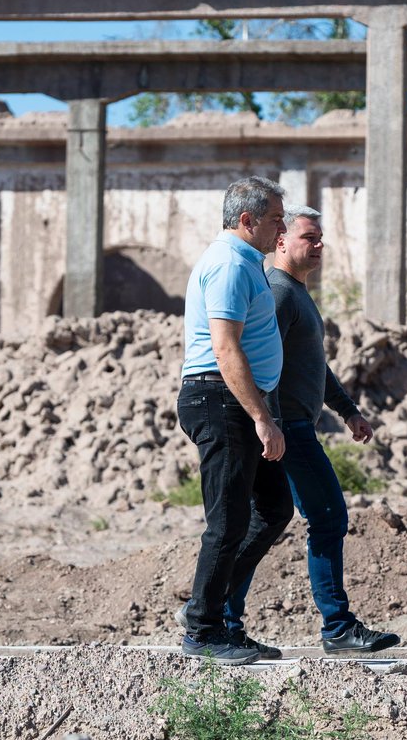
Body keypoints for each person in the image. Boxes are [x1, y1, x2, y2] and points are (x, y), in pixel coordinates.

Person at [224, 206, 401, 655]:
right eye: (309, 237)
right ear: (281, 241)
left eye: (321, 238)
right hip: (289, 428)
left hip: (294, 425)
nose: (318, 245)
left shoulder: (297, 294)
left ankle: (219, 615)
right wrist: (274, 424)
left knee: (266, 520)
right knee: (326, 517)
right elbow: (261, 363)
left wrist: (348, 410)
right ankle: (337, 627)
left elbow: (314, 368)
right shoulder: (280, 293)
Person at [175, 175, 294, 665]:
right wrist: (261, 417)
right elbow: (225, 349)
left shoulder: (247, 263)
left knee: (273, 508)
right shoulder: (228, 264)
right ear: (246, 221)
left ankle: (212, 610)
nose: (281, 230)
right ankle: (203, 630)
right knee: (227, 521)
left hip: (236, 401)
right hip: (220, 400)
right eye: (274, 221)